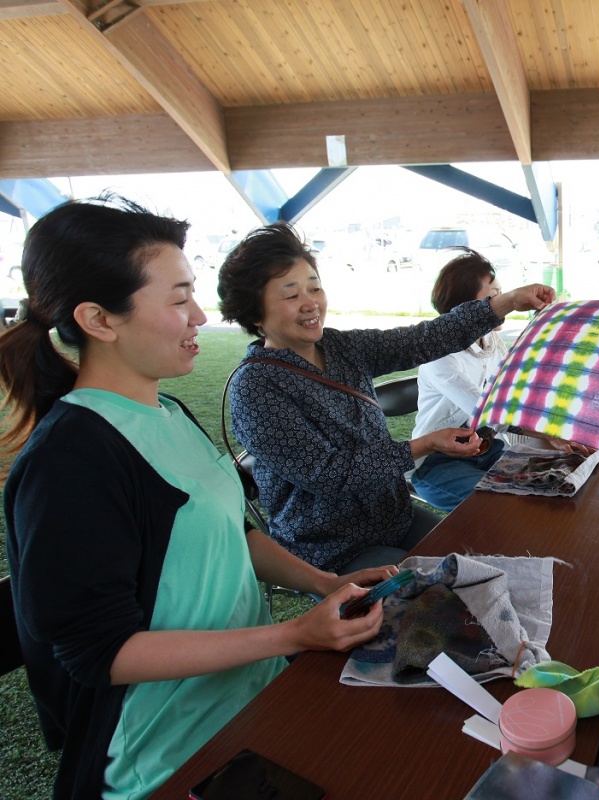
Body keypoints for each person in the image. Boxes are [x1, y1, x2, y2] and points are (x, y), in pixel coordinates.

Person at [0, 198, 394, 799]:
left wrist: (323, 584)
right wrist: (293, 636)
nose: (200, 314)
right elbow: (101, 653)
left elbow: (232, 532)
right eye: (179, 298)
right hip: (169, 755)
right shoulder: (71, 460)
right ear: (99, 319)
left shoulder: (168, 408)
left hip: (251, 703)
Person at [217, 224, 556, 573]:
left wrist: (508, 301)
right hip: (331, 546)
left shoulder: (341, 347)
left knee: (486, 564)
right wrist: (422, 446)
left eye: (315, 288)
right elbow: (328, 474)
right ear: (255, 313)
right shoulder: (255, 387)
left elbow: (423, 339)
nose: (311, 303)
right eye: (291, 295)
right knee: (441, 599)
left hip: (392, 516)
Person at [410, 248, 590, 510]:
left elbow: (514, 386)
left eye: (501, 293)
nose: (503, 301)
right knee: (504, 508)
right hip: (437, 463)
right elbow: (488, 409)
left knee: (550, 489)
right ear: (466, 309)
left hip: (486, 449)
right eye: (494, 296)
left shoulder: (490, 340)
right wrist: (548, 433)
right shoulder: (440, 356)